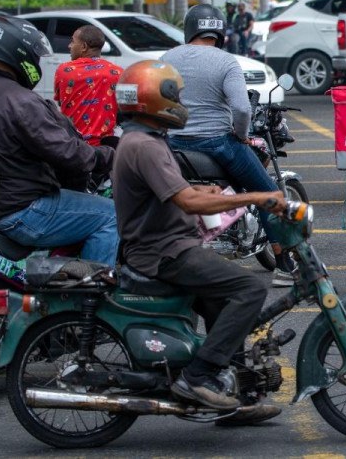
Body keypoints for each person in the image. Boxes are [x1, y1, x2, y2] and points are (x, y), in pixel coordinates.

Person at [111, 59, 286, 418]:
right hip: (163, 252)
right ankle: (199, 377)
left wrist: (197, 188)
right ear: (153, 100)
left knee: (222, 304)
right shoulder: (144, 145)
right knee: (249, 289)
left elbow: (174, 192)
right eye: (175, 96)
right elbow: (187, 202)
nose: (181, 105)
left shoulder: (144, 139)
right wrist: (254, 196)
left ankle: (236, 394)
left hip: (167, 245)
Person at [0, 16, 119, 265]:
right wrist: (107, 155)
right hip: (23, 209)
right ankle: (91, 293)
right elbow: (66, 153)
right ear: (20, 53)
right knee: (112, 215)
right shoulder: (21, 100)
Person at [162, 3, 296, 286]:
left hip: (173, 144)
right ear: (219, 32)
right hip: (217, 144)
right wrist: (241, 135)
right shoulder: (225, 61)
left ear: (190, 29)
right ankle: (285, 264)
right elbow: (242, 109)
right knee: (268, 194)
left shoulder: (167, 58)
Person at [53, 25, 123, 146]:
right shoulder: (117, 72)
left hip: (74, 145)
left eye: (73, 41)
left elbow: (60, 102)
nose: (69, 46)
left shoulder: (64, 70)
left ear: (84, 47)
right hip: (106, 147)